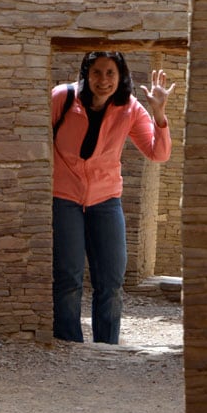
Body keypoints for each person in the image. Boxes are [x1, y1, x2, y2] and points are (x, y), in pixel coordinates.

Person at [51, 50, 175, 345]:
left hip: (106, 200)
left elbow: (158, 153)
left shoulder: (129, 108)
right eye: (97, 72)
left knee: (111, 280)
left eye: (110, 73)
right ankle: (69, 344)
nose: (103, 80)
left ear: (121, 78)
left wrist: (159, 114)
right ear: (85, 73)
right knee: (68, 277)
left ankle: (107, 346)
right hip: (64, 196)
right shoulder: (62, 98)